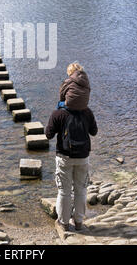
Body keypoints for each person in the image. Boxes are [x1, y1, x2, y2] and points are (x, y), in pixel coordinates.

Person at [45, 88, 98, 237]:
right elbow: (94, 132)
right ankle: (79, 223)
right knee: (81, 189)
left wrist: (55, 117)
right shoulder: (87, 112)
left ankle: (64, 223)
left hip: (64, 157)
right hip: (83, 157)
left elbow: (48, 134)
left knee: (64, 191)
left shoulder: (59, 113)